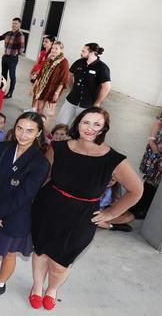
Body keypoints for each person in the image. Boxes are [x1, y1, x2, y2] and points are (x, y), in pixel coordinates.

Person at [29, 107, 142, 310]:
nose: (90, 128)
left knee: (60, 262)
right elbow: (43, 176)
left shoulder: (113, 159)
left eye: (96, 124)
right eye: (86, 122)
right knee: (41, 252)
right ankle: (37, 287)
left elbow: (136, 190)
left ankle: (52, 289)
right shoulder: (59, 147)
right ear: (78, 123)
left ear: (103, 128)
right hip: (48, 208)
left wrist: (111, 213)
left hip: (81, 218)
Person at [0, 112, 50, 300]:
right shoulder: (4, 147)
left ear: (38, 134)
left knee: (8, 253)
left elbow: (25, 195)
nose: (23, 135)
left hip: (15, 215)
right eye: (20, 129)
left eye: (30, 131)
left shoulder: (40, 163)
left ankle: (0, 283)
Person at [56, 43, 111, 126]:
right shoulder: (79, 62)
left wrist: (97, 103)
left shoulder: (102, 68)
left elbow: (106, 87)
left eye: (83, 51)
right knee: (60, 123)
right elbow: (70, 74)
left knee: (79, 128)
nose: (81, 53)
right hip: (71, 100)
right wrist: (72, 87)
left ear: (92, 53)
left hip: (87, 105)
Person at [131, 112, 162, 219]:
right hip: (156, 149)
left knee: (157, 182)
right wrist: (152, 140)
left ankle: (145, 208)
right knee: (150, 178)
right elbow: (158, 122)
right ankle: (139, 205)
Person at [30, 41, 70, 123]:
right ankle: (38, 123)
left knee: (49, 112)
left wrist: (57, 93)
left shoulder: (64, 62)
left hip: (53, 89)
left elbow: (63, 79)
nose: (54, 50)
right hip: (43, 87)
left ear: (61, 50)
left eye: (56, 48)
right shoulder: (49, 59)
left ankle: (45, 127)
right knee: (39, 108)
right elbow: (41, 74)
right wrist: (34, 86)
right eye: (53, 48)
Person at [0, 18, 25, 98]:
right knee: (3, 74)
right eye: (13, 23)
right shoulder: (8, 33)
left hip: (13, 58)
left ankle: (10, 92)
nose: (13, 25)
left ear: (19, 25)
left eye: (16, 23)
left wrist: (15, 53)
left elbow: (22, 49)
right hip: (5, 57)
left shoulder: (20, 35)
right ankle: (2, 89)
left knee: (12, 75)